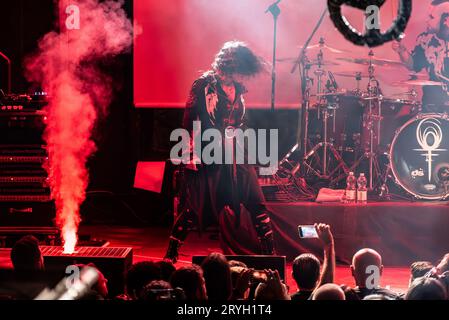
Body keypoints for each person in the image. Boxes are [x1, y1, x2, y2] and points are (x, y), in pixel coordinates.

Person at [164, 41, 275, 263]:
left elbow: (239, 122)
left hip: (235, 153)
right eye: (235, 70)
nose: (238, 75)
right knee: (192, 209)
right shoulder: (204, 84)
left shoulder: (238, 89)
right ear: (226, 65)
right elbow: (190, 119)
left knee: (256, 201)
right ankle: (170, 256)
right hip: (208, 151)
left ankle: (270, 256)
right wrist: (189, 154)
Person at [392, 0, 449, 113]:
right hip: (431, 104)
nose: (427, 20)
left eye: (431, 17)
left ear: (446, 20)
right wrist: (401, 51)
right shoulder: (425, 39)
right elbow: (413, 65)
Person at [290, 223, 335, 301]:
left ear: (293, 275)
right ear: (319, 275)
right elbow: (327, 283)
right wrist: (329, 244)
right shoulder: (323, 297)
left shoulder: (287, 298)